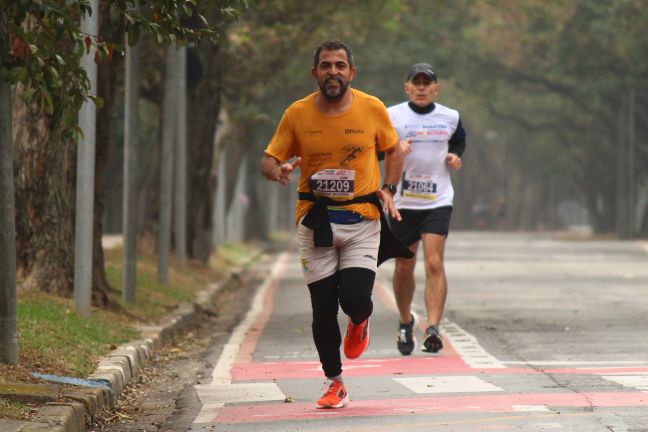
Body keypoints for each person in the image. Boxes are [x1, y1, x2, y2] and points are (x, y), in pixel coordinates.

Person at [260, 40, 410, 409]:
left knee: (356, 298)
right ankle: (334, 381)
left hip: (362, 221)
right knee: (323, 308)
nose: (333, 72)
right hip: (315, 223)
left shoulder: (371, 108)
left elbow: (392, 149)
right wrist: (276, 170)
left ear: (351, 73)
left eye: (340, 65)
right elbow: (269, 159)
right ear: (315, 73)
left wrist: (389, 188)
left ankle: (360, 320)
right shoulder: (297, 113)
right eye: (325, 66)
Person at [387, 63, 467, 355]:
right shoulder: (391, 115)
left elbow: (459, 143)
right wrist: (395, 146)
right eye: (415, 83)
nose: (421, 88)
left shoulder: (450, 116)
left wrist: (455, 157)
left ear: (436, 88)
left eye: (427, 83)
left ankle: (433, 328)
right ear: (407, 87)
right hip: (403, 201)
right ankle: (406, 320)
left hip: (438, 199)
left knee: (434, 262)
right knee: (404, 265)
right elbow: (375, 146)